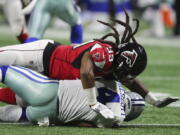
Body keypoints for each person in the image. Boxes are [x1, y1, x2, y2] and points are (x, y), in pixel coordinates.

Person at [0, 10, 176, 110]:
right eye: (125, 71)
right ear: (121, 60)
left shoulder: (117, 64)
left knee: (21, 98)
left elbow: (131, 81)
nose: (124, 77)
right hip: (42, 55)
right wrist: (93, 103)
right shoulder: (104, 53)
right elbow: (85, 72)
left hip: (51, 80)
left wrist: (153, 100)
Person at [0, 65, 145, 127]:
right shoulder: (115, 120)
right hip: (48, 115)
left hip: (48, 90)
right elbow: (84, 124)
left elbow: (87, 72)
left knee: (4, 71)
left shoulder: (114, 82)